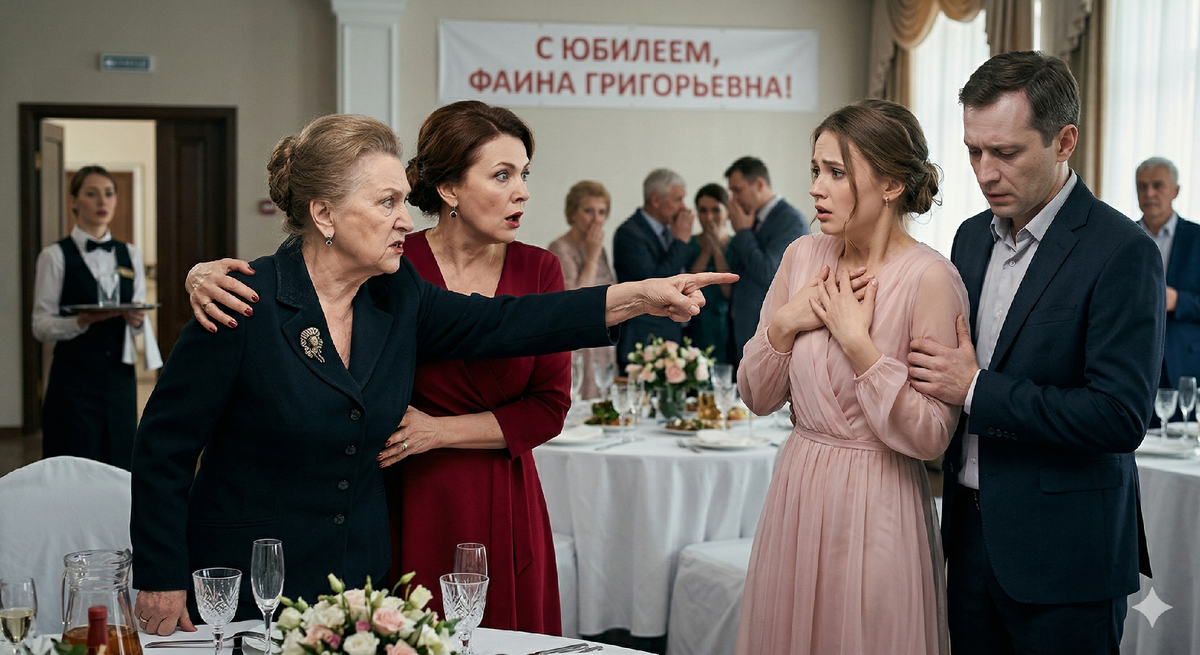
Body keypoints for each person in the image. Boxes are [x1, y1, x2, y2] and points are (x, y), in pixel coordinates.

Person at [131, 112, 735, 636]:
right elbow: (164, 447)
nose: (405, 219)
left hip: (358, 581)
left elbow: (511, 321)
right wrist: (161, 574)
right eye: (387, 203)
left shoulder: (397, 297)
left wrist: (640, 297)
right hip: (250, 579)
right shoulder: (243, 302)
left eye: (403, 200)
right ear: (324, 213)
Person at [907, 51, 1162, 653]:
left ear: (1064, 141)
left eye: (1006, 152)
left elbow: (1119, 417)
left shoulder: (1122, 251)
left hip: (1067, 557)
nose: (985, 172)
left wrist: (976, 389)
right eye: (973, 151)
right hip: (967, 541)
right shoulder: (969, 237)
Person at [736, 99, 966, 654]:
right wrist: (786, 323)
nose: (816, 188)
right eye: (816, 170)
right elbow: (756, 395)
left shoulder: (931, 280)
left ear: (891, 184)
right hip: (797, 490)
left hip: (879, 499)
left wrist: (860, 347)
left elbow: (933, 436)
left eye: (836, 173)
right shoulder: (801, 257)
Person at [32, 165, 160, 470]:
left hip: (120, 383)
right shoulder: (54, 256)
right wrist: (81, 321)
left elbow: (138, 314)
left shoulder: (130, 254)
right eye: (91, 193)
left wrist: (137, 321)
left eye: (109, 193)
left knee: (119, 466)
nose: (102, 201)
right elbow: (40, 325)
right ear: (74, 201)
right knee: (73, 466)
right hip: (73, 383)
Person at [724, 156, 809, 364]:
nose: (733, 200)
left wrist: (743, 232)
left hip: (769, 333)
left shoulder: (789, 220)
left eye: (737, 190)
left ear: (759, 184)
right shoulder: (753, 218)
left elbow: (770, 272)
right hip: (744, 328)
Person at [612, 168, 695, 366]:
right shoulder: (629, 234)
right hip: (642, 338)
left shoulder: (672, 230)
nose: (683, 207)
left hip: (672, 335)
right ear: (656, 200)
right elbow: (654, 285)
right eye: (678, 199)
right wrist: (681, 242)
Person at [548, 180, 618, 400]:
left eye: (602, 212)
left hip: (601, 342)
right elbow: (575, 301)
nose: (596, 219)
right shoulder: (560, 248)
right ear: (573, 213)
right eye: (589, 211)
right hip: (578, 346)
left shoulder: (600, 250)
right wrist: (592, 256)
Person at [1135, 156, 1200, 385]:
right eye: (1142, 186)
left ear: (1176, 191)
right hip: (1132, 361)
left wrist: (1178, 301)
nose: (1149, 193)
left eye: (1158, 185)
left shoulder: (1197, 238)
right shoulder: (1121, 238)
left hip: (1186, 363)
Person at [684, 183, 736, 362]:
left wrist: (716, 249)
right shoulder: (689, 244)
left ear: (726, 211)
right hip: (694, 322)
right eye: (703, 211)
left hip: (726, 324)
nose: (709, 217)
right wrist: (706, 251)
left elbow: (728, 291)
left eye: (715, 210)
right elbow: (687, 285)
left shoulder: (735, 245)